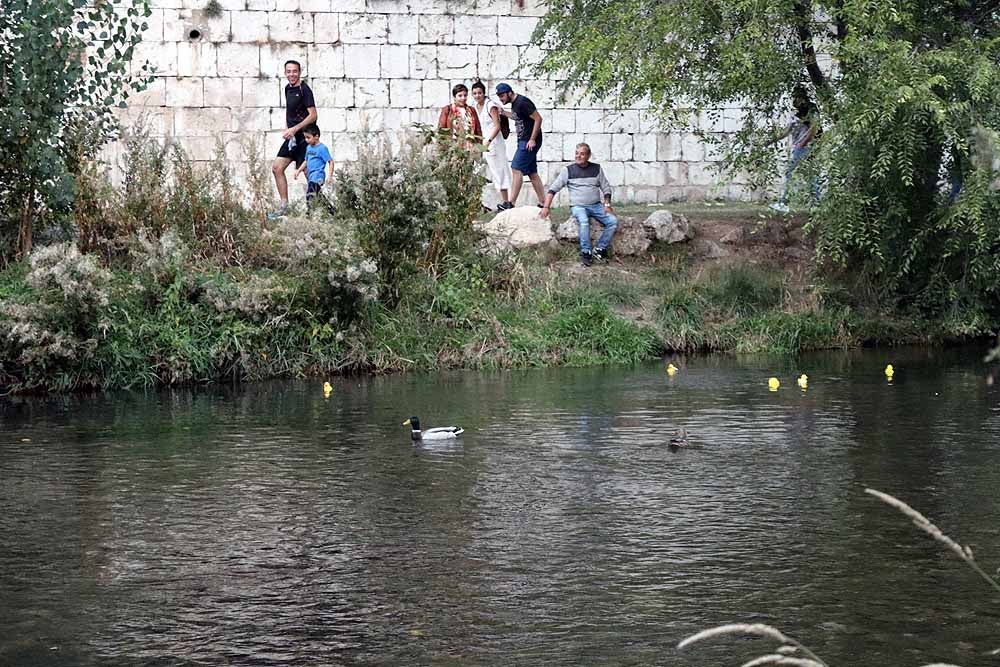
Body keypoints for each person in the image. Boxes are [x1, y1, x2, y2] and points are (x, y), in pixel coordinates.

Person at [539, 142, 617, 267]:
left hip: (596, 205)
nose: (578, 156)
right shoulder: (568, 170)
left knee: (612, 221)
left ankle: (599, 249)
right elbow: (553, 189)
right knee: (584, 221)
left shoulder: (597, 169)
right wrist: (546, 207)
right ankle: (586, 252)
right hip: (578, 206)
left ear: (588, 156)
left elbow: (606, 187)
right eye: (576, 153)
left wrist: (607, 205)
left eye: (582, 154)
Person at [269, 60, 318, 220]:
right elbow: (290, 112)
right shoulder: (287, 89)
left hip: (305, 138)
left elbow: (313, 115)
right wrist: (287, 128)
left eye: (294, 71)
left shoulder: (305, 90)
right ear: (285, 73)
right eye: (288, 71)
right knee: (277, 168)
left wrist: (295, 129)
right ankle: (284, 207)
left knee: (308, 174)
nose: (292, 74)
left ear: (299, 72)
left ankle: (320, 210)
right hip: (292, 138)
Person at [769, 86, 821, 213]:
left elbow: (814, 129)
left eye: (796, 97)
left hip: (806, 147)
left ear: (802, 97)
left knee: (791, 173)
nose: (794, 100)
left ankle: (784, 202)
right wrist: (772, 140)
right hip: (801, 147)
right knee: (812, 175)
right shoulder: (797, 112)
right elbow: (787, 131)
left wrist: (802, 144)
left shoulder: (811, 110)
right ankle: (817, 204)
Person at [495, 83, 545, 208]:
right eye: (499, 96)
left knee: (516, 168)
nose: (501, 99)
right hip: (524, 140)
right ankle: (544, 203)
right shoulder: (515, 104)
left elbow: (538, 119)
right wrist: (503, 112)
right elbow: (516, 117)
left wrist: (532, 139)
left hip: (529, 141)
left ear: (509, 92)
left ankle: (511, 203)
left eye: (502, 96)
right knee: (532, 172)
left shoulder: (522, 102)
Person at [470, 80, 513, 211]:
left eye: (479, 93)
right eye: (475, 93)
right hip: (483, 142)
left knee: (500, 170)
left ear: (484, 93)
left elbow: (497, 126)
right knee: (491, 171)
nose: (477, 96)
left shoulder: (491, 106)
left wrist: (488, 141)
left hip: (493, 142)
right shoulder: (475, 107)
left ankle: (507, 202)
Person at [293, 124, 334, 214]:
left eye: (308, 137)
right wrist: (298, 170)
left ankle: (309, 214)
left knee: (310, 193)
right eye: (305, 138)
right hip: (311, 176)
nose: (306, 140)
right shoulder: (308, 148)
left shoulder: (322, 148)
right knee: (318, 196)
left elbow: (330, 162)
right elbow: (306, 161)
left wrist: (330, 176)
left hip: (318, 175)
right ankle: (332, 212)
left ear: (316, 136)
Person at [437, 83, 482, 149]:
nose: (463, 98)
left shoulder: (471, 110)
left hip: (470, 146)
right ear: (454, 97)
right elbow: (442, 130)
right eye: (460, 96)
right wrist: (442, 147)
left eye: (465, 95)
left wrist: (479, 146)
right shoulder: (447, 110)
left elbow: (478, 130)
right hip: (453, 146)